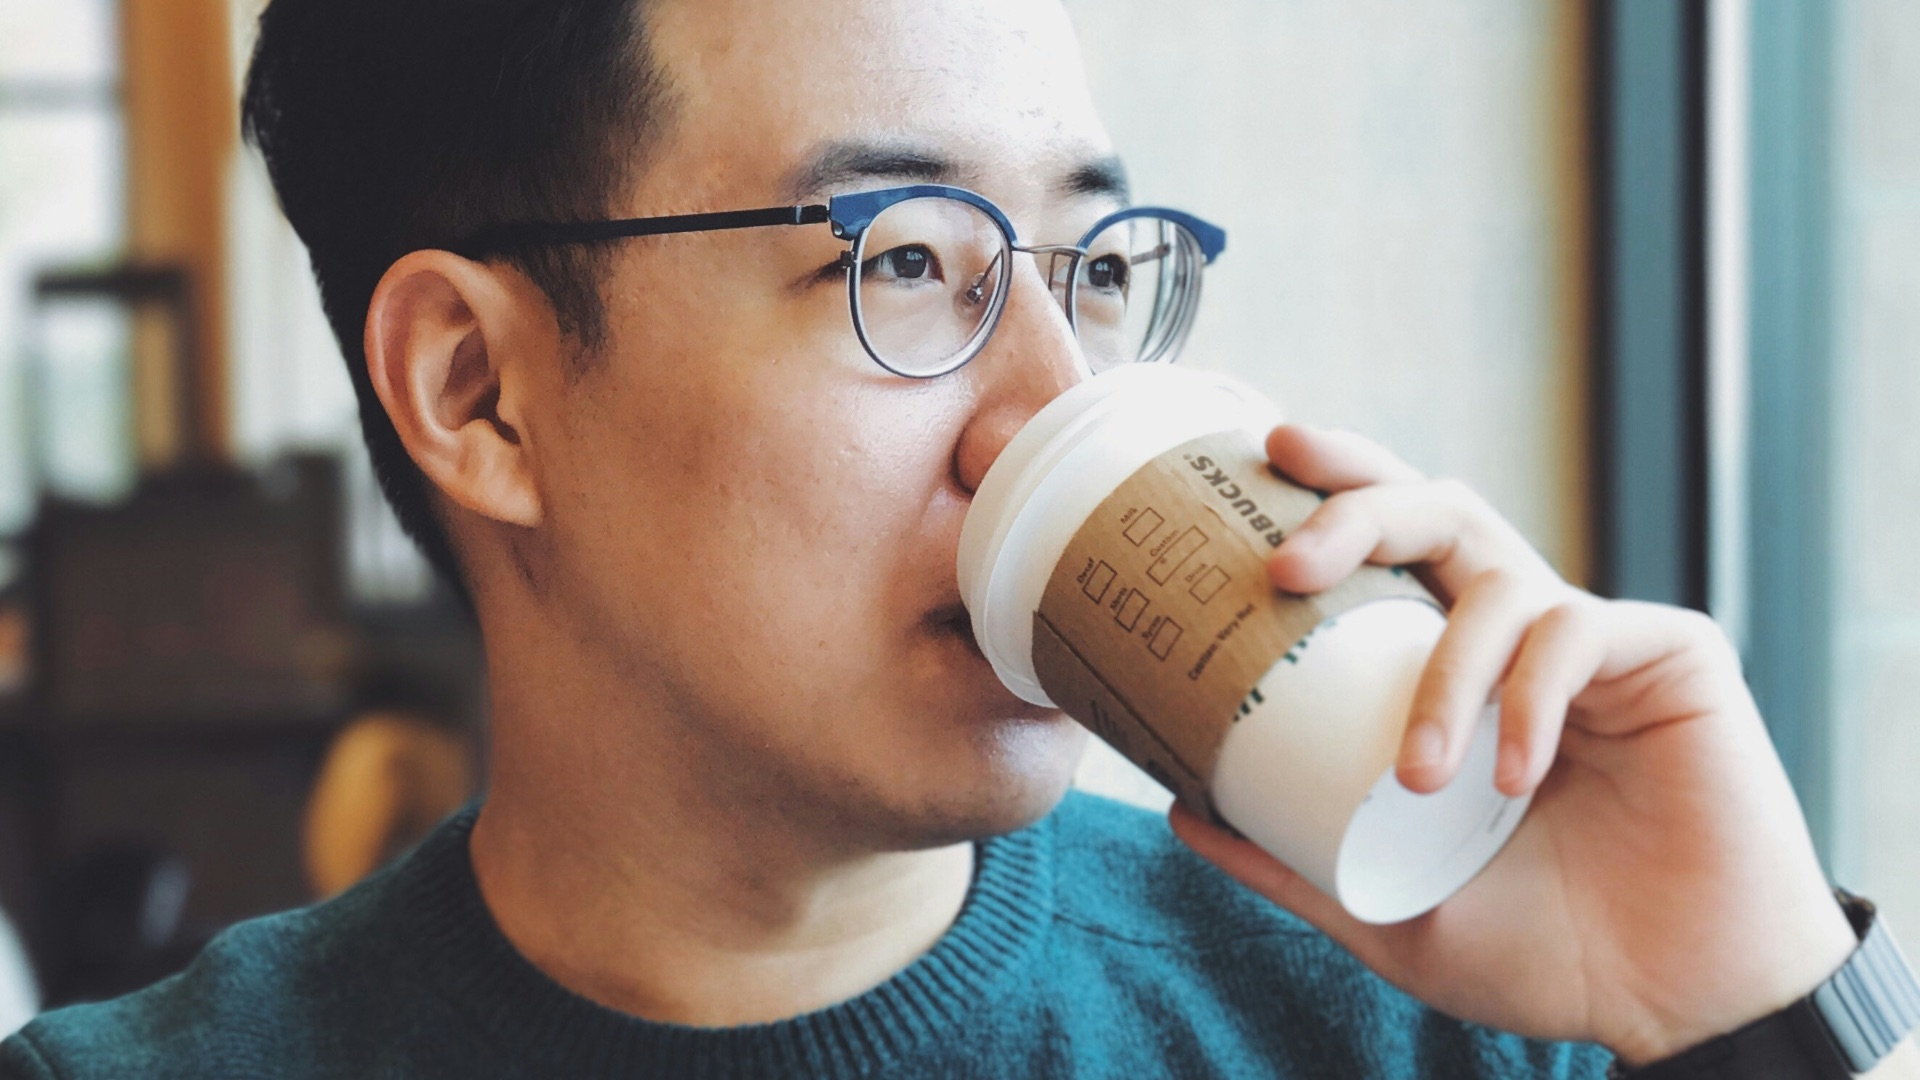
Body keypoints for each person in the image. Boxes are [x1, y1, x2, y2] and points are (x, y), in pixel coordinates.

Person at [3, 0, 1913, 1076]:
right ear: (480, 392)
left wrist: (1753, 1013)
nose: (1049, 410)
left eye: (1091, 263)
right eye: (907, 264)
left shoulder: (1430, 1010)